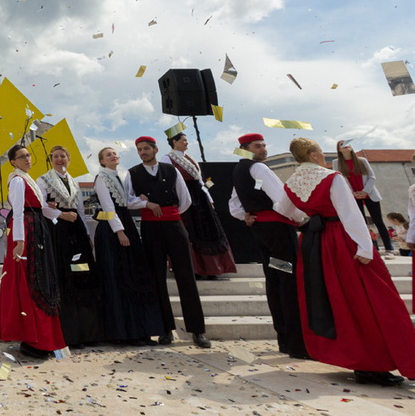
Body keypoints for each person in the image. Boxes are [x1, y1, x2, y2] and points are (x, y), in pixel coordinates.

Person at [282, 138, 415, 386]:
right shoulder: (332, 177)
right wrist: (366, 247)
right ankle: (375, 364)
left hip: (315, 245)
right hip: (342, 240)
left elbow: (283, 209)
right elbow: (350, 214)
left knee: (336, 302)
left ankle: (362, 362)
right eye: (320, 152)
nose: (324, 156)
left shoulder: (290, 182)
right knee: (371, 299)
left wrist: (307, 218)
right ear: (312, 155)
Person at [228, 133, 310, 359]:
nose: (263, 149)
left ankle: (284, 338)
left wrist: (246, 215)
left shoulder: (239, 171)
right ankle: (297, 344)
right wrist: (302, 219)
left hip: (262, 233)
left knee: (275, 280)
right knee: (287, 282)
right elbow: (283, 200)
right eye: (258, 146)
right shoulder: (260, 169)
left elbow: (233, 206)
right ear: (246, 149)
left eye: (264, 145)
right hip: (279, 233)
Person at [124, 136, 210, 348]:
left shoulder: (171, 170)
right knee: (157, 279)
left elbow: (185, 200)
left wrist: (169, 214)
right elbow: (128, 200)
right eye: (139, 150)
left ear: (155, 149)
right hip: (151, 228)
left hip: (174, 226)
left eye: (146, 148)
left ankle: (197, 330)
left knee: (186, 276)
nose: (142, 152)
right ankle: (165, 329)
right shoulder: (132, 173)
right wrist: (147, 203)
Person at [0, 144, 65, 359]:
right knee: (29, 283)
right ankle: (32, 339)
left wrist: (58, 213)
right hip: (26, 232)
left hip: (35, 230)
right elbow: (17, 212)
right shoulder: (17, 180)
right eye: (22, 157)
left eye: (28, 155)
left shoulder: (27, 179)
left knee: (38, 282)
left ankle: (41, 339)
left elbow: (39, 207)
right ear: (13, 162)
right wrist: (19, 241)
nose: (27, 159)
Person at [92, 146, 164, 346]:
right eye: (108, 155)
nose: (113, 156)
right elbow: (108, 207)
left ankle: (139, 330)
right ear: (102, 161)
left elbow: (127, 203)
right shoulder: (101, 178)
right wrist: (120, 231)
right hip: (113, 229)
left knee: (133, 276)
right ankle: (124, 333)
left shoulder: (120, 178)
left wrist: (143, 202)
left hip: (125, 224)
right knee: (119, 278)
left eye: (114, 153)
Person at [37, 145, 104, 349]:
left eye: (63, 156)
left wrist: (85, 233)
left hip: (76, 233)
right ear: (51, 159)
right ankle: (68, 333)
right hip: (58, 232)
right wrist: (61, 215)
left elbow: (81, 210)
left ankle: (88, 332)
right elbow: (40, 206)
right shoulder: (43, 180)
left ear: (69, 159)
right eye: (55, 156)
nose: (59, 159)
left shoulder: (74, 181)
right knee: (63, 277)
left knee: (82, 275)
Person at [161, 133, 237, 280]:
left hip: (199, 199)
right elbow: (168, 181)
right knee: (190, 232)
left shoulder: (190, 159)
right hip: (185, 198)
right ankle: (194, 269)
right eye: (183, 140)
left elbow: (200, 182)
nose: (186, 143)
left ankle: (211, 268)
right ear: (174, 142)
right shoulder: (167, 158)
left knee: (208, 231)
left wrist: (209, 199)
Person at [333, 142, 393, 254]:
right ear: (339, 150)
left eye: (347, 143)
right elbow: (340, 180)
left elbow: (372, 177)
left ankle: (389, 248)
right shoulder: (336, 163)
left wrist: (365, 191)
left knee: (378, 221)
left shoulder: (362, 160)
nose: (346, 145)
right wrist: (351, 193)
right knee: (361, 223)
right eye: (342, 144)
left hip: (369, 193)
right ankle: (371, 248)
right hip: (353, 196)